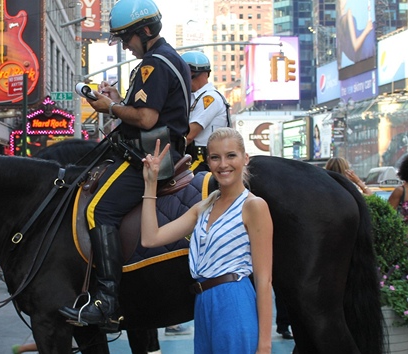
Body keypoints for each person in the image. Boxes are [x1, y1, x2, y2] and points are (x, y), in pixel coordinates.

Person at [58, 0, 191, 332]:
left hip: (151, 154)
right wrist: (117, 100)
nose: (125, 46)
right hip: (157, 148)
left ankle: (106, 301)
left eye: (127, 38)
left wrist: (110, 107)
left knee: (97, 212)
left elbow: (146, 118)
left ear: (145, 31)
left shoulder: (153, 64)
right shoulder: (166, 59)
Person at [140, 128, 273, 353]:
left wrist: (265, 345)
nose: (223, 164)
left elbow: (264, 280)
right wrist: (151, 183)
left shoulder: (254, 206)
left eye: (231, 155)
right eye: (215, 157)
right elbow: (151, 238)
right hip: (203, 304)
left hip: (235, 302)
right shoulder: (205, 205)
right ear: (208, 162)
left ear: (245, 158)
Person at [181, 51, 231, 173]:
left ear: (190, 74)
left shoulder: (209, 98)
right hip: (194, 158)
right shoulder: (195, 97)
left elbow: (189, 135)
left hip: (202, 162)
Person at [336, 0, 375, 66]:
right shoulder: (348, 14)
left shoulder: (338, 25)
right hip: (366, 49)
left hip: (361, 58)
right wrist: (367, 30)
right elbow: (355, 46)